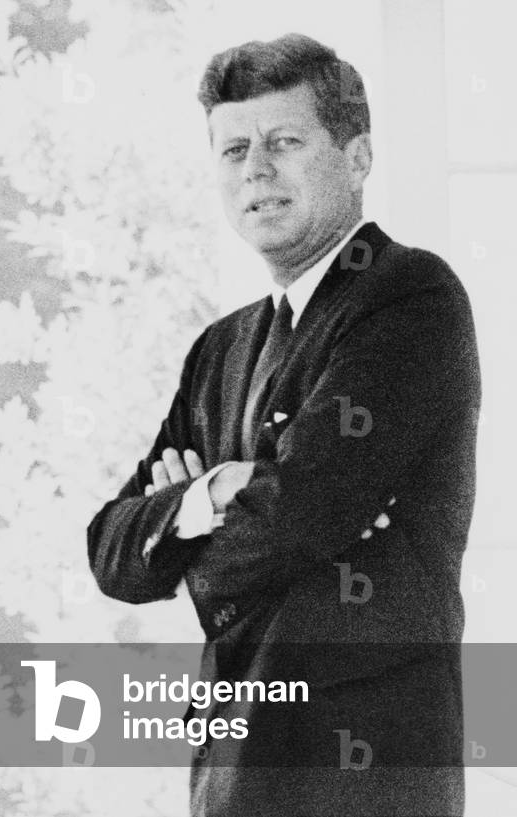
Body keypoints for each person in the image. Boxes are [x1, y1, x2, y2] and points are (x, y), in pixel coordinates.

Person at [87, 34, 479, 816]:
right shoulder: (222, 346)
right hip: (234, 765)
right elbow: (113, 553)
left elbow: (300, 512)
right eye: (233, 150)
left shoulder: (411, 298)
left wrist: (191, 527)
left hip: (366, 769)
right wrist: (207, 497)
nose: (255, 171)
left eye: (284, 142)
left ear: (358, 156)